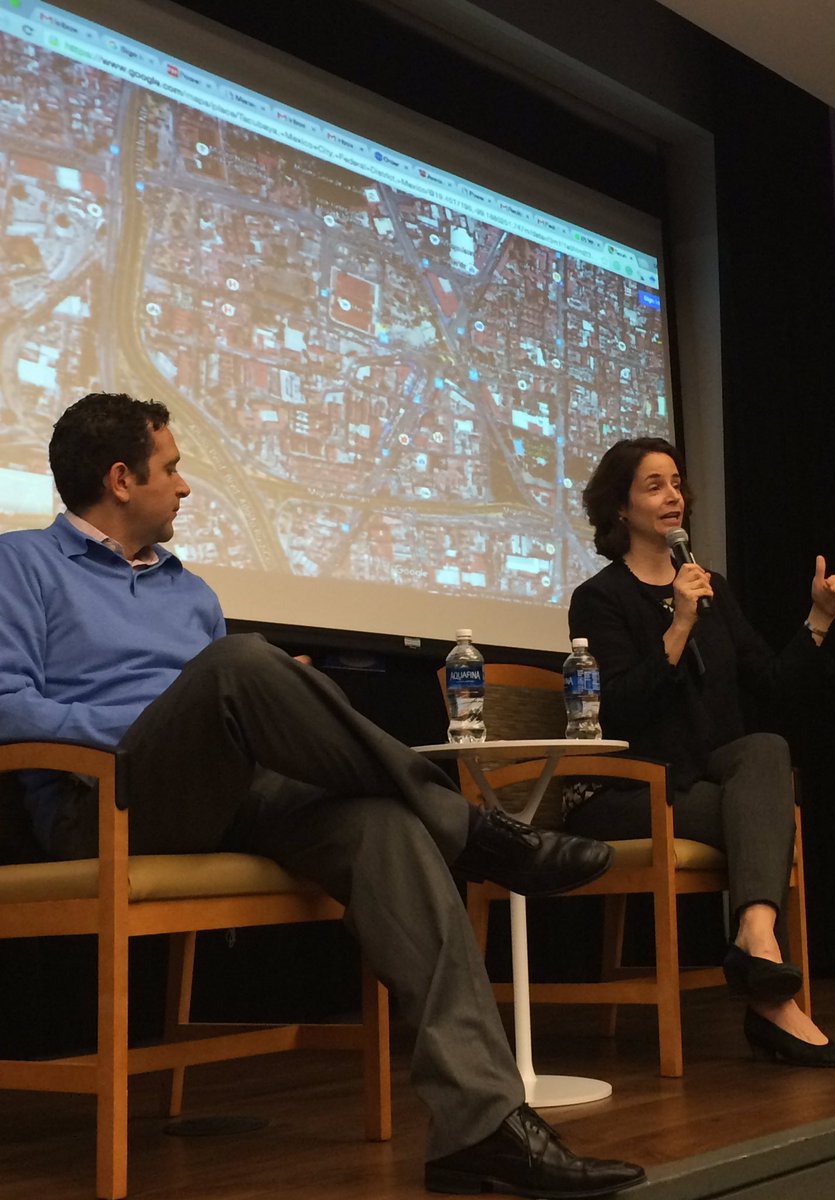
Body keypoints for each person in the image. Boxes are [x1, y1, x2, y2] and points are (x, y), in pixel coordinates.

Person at [0, 393, 646, 1199]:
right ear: (121, 478)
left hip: (225, 795)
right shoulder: (21, 564)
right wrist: (150, 720)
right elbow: (7, 705)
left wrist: (263, 703)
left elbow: (224, 714)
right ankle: (473, 829)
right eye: (172, 468)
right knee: (241, 664)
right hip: (100, 804)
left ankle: (480, 1128)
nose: (186, 485)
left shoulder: (189, 592)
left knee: (384, 826)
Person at [566, 436, 835, 1068]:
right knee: (761, 814)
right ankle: (771, 996)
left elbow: (772, 686)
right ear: (620, 508)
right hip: (632, 788)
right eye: (654, 486)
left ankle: (756, 939)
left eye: (677, 483)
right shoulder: (600, 598)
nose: (673, 495)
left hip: (706, 778)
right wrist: (677, 624)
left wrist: (820, 618)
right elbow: (616, 710)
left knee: (766, 748)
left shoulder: (711, 589)